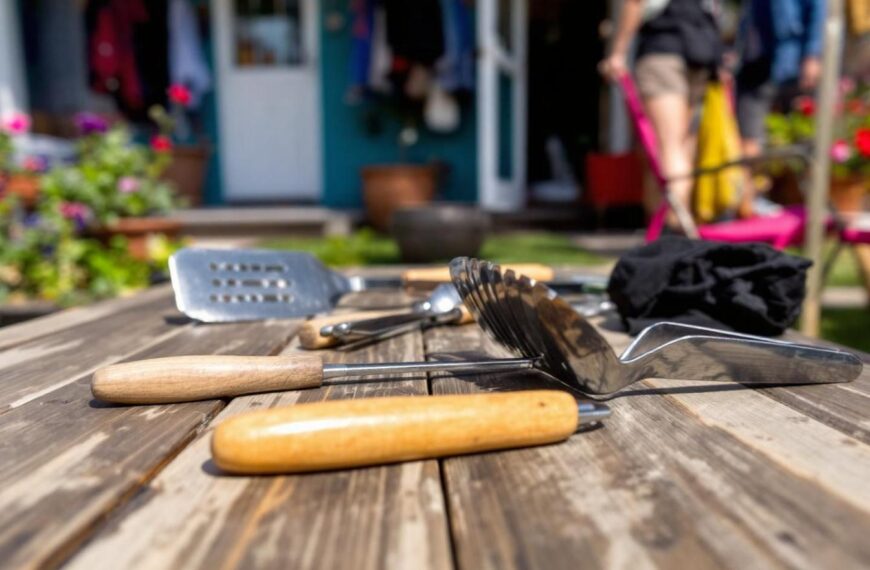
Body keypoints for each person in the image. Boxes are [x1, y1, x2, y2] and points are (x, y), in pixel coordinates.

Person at [600, 0, 722, 232]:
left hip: (663, 51)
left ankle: (674, 227)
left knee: (668, 146)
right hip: (700, 53)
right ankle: (668, 226)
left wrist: (618, 53)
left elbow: (635, 3)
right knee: (684, 146)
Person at [736, 0, 825, 158]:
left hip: (790, 63)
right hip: (753, 61)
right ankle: (752, 179)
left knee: (798, 138)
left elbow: (818, 11)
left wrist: (812, 54)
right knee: (749, 139)